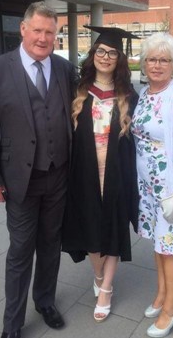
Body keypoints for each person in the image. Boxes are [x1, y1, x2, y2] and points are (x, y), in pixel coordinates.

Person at [0, 2, 78, 338]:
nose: (43, 38)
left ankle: (45, 301)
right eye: (38, 30)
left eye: (50, 32)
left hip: (59, 174)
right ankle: (12, 323)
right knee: (20, 250)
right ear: (23, 29)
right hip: (19, 179)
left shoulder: (64, 69)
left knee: (51, 244)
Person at [62, 26, 139, 323]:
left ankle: (106, 288)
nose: (105, 57)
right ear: (93, 54)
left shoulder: (129, 96)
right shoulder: (79, 91)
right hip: (85, 174)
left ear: (119, 58)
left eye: (112, 53)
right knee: (92, 234)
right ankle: (98, 273)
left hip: (116, 175)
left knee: (114, 229)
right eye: (101, 51)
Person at [131, 33, 173, 338]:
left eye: (163, 59)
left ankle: (172, 310)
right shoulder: (145, 93)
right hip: (147, 187)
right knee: (159, 246)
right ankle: (161, 295)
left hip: (171, 189)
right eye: (151, 59)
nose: (156, 65)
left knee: (170, 250)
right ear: (144, 64)